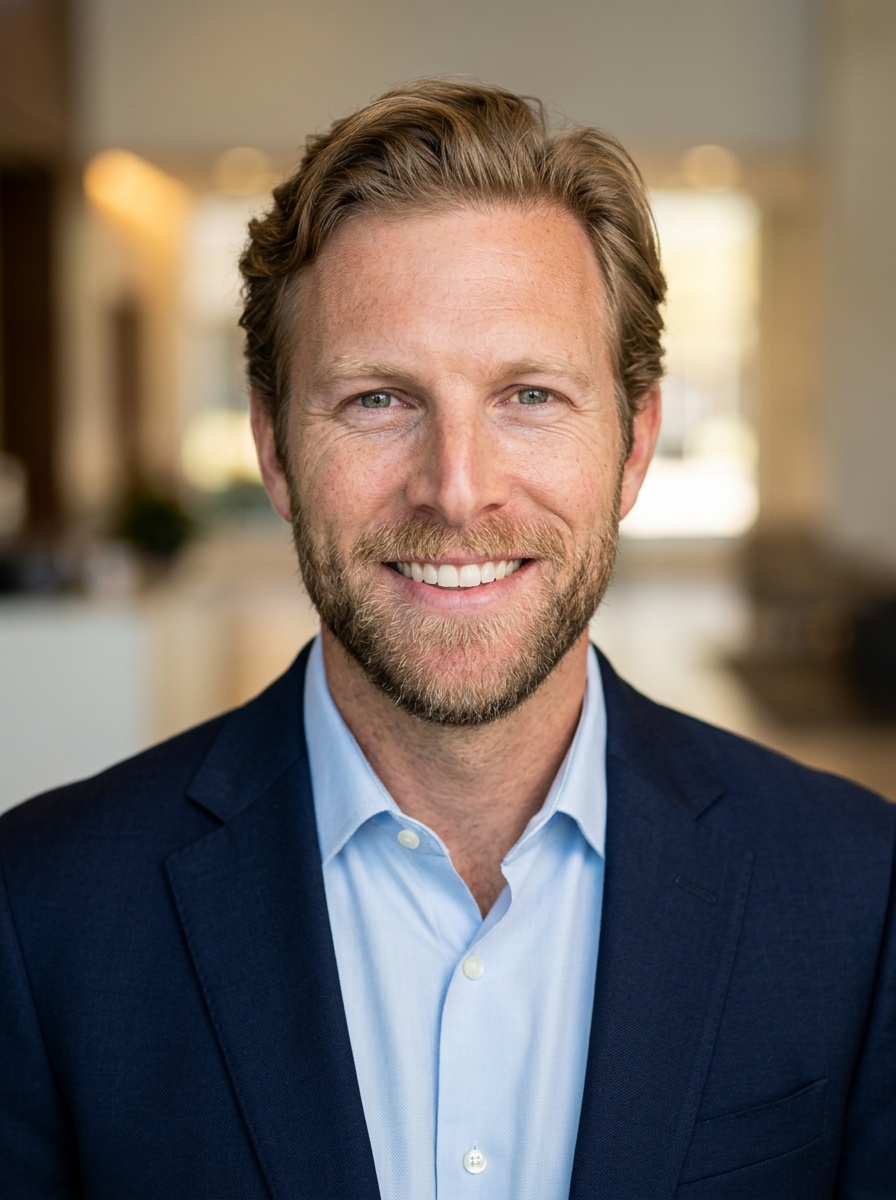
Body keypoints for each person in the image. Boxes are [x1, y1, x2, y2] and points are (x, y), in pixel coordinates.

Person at [1, 80, 894, 1200]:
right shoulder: (40, 916)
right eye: (378, 399)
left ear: (632, 445)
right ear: (273, 447)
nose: (455, 491)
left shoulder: (857, 895)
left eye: (526, 394)